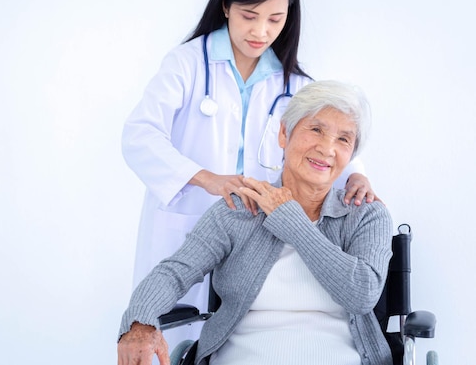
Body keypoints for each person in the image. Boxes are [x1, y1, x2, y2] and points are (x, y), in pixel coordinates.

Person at [121, 0, 379, 345]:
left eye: (275, 19)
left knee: (241, 327)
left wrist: (359, 173)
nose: (261, 31)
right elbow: (140, 135)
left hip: (253, 229)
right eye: (249, 16)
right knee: (170, 330)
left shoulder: (294, 83)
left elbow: (329, 139)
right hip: (186, 217)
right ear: (226, 6)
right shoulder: (189, 64)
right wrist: (207, 179)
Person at [117, 80, 394, 365]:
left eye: (343, 139)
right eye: (316, 129)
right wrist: (140, 322)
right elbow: (175, 272)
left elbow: (361, 295)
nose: (327, 148)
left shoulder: (366, 215)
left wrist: (289, 219)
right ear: (284, 133)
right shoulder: (238, 209)